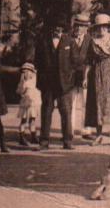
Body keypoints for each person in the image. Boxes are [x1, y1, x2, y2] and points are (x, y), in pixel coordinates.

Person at [35, 15, 89, 150]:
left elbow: (77, 62)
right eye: (54, 28)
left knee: (66, 112)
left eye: (60, 28)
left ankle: (67, 141)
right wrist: (41, 80)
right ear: (51, 29)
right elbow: (38, 62)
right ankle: (44, 141)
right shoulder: (43, 42)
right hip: (48, 83)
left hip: (65, 84)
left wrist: (73, 77)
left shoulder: (69, 42)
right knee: (46, 111)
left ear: (63, 29)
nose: (57, 31)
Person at [83, 14, 110, 146]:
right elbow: (88, 60)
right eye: (99, 27)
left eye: (104, 27)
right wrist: (85, 77)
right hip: (97, 74)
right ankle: (99, 135)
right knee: (98, 103)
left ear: (108, 27)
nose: (101, 30)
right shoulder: (93, 41)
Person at [16, 63, 41, 146]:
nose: (26, 73)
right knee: (23, 120)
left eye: (28, 71)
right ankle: (21, 136)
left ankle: (33, 135)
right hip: (26, 103)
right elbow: (20, 91)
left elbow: (38, 89)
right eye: (24, 72)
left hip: (34, 102)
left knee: (32, 119)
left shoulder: (35, 79)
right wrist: (23, 85)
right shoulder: (23, 82)